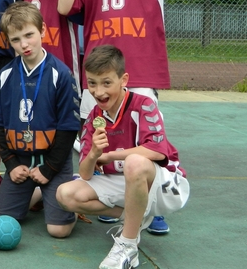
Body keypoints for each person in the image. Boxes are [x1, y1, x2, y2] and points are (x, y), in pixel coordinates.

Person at [57, 0, 200, 233]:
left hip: (139, 73)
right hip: (99, 80)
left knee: (143, 143)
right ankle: (120, 201)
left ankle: (152, 203)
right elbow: (65, 8)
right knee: (100, 139)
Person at [56, 45, 189, 269]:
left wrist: (110, 156)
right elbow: (86, 174)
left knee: (134, 162)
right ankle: (136, 216)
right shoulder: (94, 117)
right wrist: (94, 154)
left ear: (123, 79)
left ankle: (128, 245)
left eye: (106, 83)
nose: (99, 91)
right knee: (65, 194)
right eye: (92, 83)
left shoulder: (143, 105)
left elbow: (157, 151)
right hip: (125, 182)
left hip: (165, 185)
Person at [0, 1, 79, 238]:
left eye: (29, 35)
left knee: (58, 230)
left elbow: (69, 128)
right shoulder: (5, 74)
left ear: (42, 31)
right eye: (16, 39)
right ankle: (38, 193)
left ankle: (69, 188)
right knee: (0, 220)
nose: (24, 44)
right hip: (21, 161)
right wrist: (11, 164)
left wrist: (49, 169)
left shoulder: (61, 73)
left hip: (53, 161)